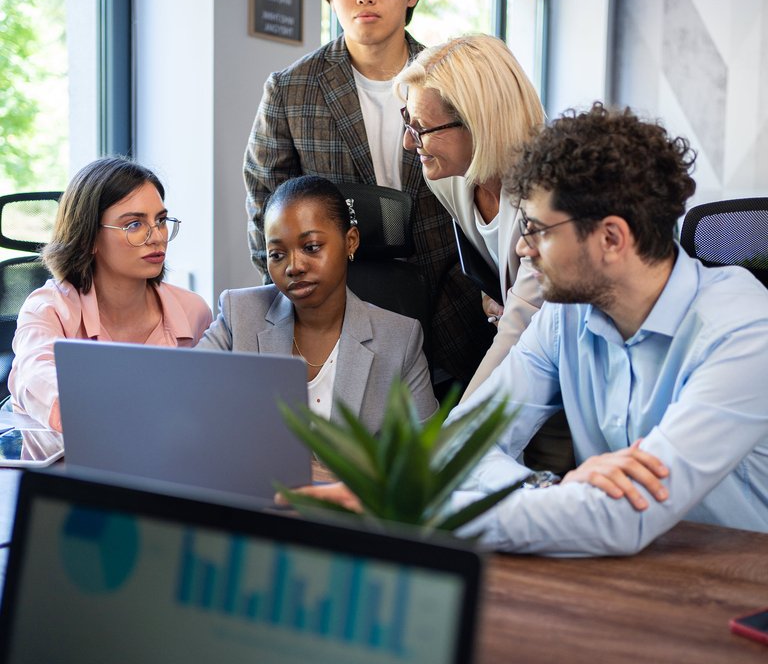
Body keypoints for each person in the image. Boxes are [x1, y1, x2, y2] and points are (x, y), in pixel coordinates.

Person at [286, 103, 768, 556]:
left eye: (536, 230)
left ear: (611, 238)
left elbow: (626, 516)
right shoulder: (565, 316)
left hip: (733, 579)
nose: (521, 250)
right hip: (607, 566)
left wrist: (413, 513)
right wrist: (544, 487)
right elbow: (467, 441)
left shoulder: (743, 332)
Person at [243, 0, 493, 389]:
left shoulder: (452, 83)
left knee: (444, 447)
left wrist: (482, 284)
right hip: (336, 301)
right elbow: (264, 202)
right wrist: (297, 290)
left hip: (449, 299)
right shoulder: (292, 89)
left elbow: (483, 187)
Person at [395, 34, 573, 474]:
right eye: (408, 120)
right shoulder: (447, 178)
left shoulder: (549, 197)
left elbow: (521, 323)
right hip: (524, 360)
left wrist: (435, 457)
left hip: (575, 370)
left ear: (479, 123)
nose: (407, 141)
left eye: (420, 127)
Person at [197, 175, 436, 431]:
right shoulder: (239, 314)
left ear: (350, 241)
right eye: (277, 254)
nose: (294, 267)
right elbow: (184, 400)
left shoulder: (400, 340)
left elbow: (426, 456)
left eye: (311, 247)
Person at [8, 158, 213, 432]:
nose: (157, 237)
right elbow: (35, 377)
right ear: (89, 237)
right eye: (134, 225)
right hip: (67, 466)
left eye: (161, 220)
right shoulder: (49, 308)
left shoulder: (193, 311)